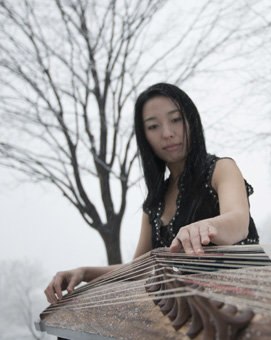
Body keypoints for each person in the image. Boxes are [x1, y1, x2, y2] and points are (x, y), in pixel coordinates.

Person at [44, 83, 260, 304]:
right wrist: (84, 273)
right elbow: (139, 268)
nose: (167, 134)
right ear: (144, 136)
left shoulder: (220, 169)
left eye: (175, 120)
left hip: (253, 299)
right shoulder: (154, 203)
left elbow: (239, 222)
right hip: (202, 313)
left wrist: (206, 228)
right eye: (154, 126)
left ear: (191, 121)